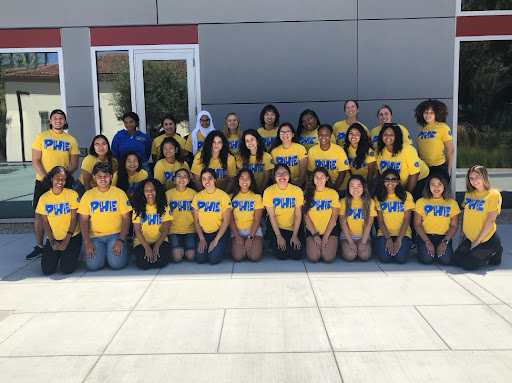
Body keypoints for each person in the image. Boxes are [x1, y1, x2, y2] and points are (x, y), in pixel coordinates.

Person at [28, 109, 80, 260]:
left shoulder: (71, 139)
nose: (58, 120)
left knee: (67, 212)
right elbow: (35, 160)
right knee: (39, 214)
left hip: (63, 183)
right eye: (55, 118)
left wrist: (61, 179)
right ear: (50, 121)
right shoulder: (41, 136)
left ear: (65, 121)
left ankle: (65, 241)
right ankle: (39, 246)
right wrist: (48, 178)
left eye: (61, 118)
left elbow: (74, 165)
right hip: (43, 181)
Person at [78, 162, 132, 271]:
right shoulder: (88, 195)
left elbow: (126, 218)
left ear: (111, 176)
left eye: (106, 176)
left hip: (115, 235)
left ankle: (127, 246)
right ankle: (105, 253)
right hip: (96, 237)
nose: (103, 179)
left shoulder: (119, 193)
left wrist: (121, 240)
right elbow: (83, 221)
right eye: (99, 176)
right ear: (94, 177)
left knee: (117, 265)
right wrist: (87, 242)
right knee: (93, 266)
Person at [452, 165, 503, 270]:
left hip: (486, 239)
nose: (474, 180)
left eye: (477, 176)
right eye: (471, 178)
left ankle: (496, 250)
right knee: (455, 260)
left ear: (484, 176)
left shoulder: (493, 195)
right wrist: (461, 238)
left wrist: (477, 241)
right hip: (471, 238)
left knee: (468, 265)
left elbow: (490, 220)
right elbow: (465, 217)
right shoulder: (469, 194)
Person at [35, 166, 81, 275]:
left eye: (63, 179)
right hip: (54, 237)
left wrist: (66, 240)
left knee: (66, 269)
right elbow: (45, 222)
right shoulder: (44, 198)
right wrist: (51, 240)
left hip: (72, 236)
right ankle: (60, 253)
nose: (60, 181)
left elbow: (74, 218)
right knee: (47, 270)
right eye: (57, 178)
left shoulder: (72, 194)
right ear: (51, 178)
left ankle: (74, 253)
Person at [414, 173, 460, 265]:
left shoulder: (452, 203)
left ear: (444, 186)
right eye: (433, 184)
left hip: (443, 237)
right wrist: (427, 241)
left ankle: (436, 251)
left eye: (439, 184)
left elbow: (454, 226)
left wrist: (445, 242)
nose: (436, 187)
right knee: (427, 260)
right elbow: (417, 224)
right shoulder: (421, 202)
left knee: (445, 261)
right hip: (426, 236)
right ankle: (424, 249)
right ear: (428, 186)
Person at [263, 163, 305, 260]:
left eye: (284, 173)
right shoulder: (269, 191)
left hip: (293, 227)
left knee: (296, 255)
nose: (282, 176)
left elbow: (298, 215)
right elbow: (271, 216)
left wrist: (295, 235)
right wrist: (278, 236)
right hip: (277, 228)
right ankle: (273, 241)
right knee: (282, 255)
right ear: (274, 176)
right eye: (278, 174)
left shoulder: (297, 190)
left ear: (289, 175)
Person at [376, 123, 429, 198]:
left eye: (391, 134)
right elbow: (379, 172)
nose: (388, 137)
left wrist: (407, 193)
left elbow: (415, 174)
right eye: (385, 134)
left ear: (397, 136)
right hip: (396, 183)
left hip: (418, 180)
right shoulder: (379, 152)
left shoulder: (408, 150)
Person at [192, 168, 232, 264]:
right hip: (204, 233)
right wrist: (201, 238)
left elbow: (226, 221)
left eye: (209, 178)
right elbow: (196, 220)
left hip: (219, 232)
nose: (207, 181)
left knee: (213, 259)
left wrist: (216, 240)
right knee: (200, 259)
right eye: (204, 179)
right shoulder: (198, 197)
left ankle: (222, 246)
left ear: (215, 179)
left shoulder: (223, 196)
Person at [374, 169, 415, 264]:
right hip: (384, 233)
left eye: (393, 179)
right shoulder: (378, 197)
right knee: (384, 259)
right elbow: (380, 222)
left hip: (403, 233)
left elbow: (406, 220)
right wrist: (388, 239)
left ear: (398, 181)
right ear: (383, 181)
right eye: (387, 179)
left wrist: (399, 240)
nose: (390, 182)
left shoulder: (406, 196)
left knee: (401, 259)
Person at [132, 178, 172, 269]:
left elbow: (166, 229)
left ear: (157, 190)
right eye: (146, 190)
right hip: (142, 242)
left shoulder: (164, 206)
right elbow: (137, 230)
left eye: (152, 189)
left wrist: (156, 246)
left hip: (160, 241)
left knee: (160, 262)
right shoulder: (137, 207)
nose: (150, 192)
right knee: (144, 264)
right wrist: (147, 248)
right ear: (143, 192)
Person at [303, 167, 340, 263]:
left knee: (328, 258)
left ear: (327, 178)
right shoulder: (307, 193)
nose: (319, 180)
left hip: (329, 230)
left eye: (322, 177)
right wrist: (315, 235)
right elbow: (306, 216)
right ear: (313, 179)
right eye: (316, 177)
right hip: (313, 230)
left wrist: (325, 237)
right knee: (314, 258)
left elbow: (334, 217)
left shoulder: (332, 193)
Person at [229, 168, 264, 261]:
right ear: (238, 180)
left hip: (253, 231)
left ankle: (256, 243)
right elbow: (230, 220)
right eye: (242, 178)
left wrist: (250, 237)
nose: (245, 181)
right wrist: (237, 236)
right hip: (237, 230)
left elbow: (257, 220)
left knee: (254, 257)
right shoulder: (231, 197)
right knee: (238, 257)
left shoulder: (257, 197)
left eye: (248, 178)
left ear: (251, 180)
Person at [339, 174, 376, 262]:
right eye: (352, 186)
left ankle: (366, 245)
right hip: (347, 236)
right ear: (348, 188)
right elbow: (343, 223)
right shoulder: (343, 202)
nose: (355, 189)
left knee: (365, 256)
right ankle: (340, 249)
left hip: (363, 236)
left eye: (359, 186)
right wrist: (351, 242)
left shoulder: (370, 202)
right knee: (350, 256)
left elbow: (369, 224)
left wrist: (363, 242)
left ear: (364, 187)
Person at [414, 99, 454, 178]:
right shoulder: (421, 128)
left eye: (431, 112)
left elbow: (450, 150)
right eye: (426, 112)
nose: (428, 115)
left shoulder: (443, 127)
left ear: (437, 114)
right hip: (424, 167)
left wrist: (448, 169)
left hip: (438, 167)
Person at [166, 168, 197, 263]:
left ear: (188, 180)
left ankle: (184, 248)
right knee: (177, 258)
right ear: (174, 179)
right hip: (173, 230)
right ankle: (180, 249)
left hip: (190, 229)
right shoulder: (168, 194)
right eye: (179, 176)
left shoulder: (194, 194)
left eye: (184, 177)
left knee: (191, 257)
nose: (181, 179)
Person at [307, 124, 349, 192]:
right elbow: (310, 172)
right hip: (320, 187)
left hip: (339, 187)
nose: (323, 137)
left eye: (326, 134)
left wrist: (334, 189)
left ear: (331, 135)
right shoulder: (312, 150)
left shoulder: (339, 150)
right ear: (317, 135)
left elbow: (342, 172)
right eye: (321, 134)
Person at [270, 123, 308, 188]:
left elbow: (303, 172)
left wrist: (297, 188)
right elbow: (273, 174)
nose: (285, 134)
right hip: (281, 185)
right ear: (279, 135)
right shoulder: (274, 151)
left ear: (293, 134)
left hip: (298, 184)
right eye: (282, 132)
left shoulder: (300, 148)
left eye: (288, 132)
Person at [237, 129, 274, 194]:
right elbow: (240, 177)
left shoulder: (266, 156)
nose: (250, 142)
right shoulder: (240, 158)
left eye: (252, 139)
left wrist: (259, 192)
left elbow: (266, 178)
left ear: (257, 140)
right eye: (247, 141)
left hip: (262, 191)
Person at [343, 123, 376, 188]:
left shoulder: (368, 150)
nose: (353, 136)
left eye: (357, 134)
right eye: (351, 133)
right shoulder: (345, 149)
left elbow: (371, 170)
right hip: (355, 181)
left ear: (361, 136)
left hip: (370, 180)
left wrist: (367, 186)